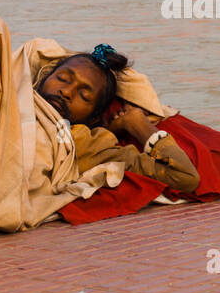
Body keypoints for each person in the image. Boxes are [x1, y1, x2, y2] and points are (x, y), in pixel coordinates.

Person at [36, 44, 200, 193]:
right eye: (62, 79)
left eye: (84, 96)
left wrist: (139, 124)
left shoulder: (87, 145)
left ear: (93, 118)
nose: (66, 92)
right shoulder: (15, 96)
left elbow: (184, 176)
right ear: (45, 77)